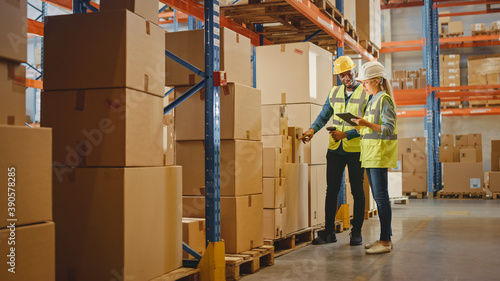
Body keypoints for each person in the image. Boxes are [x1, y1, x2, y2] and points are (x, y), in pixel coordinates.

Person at [301, 56, 370, 246]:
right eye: (342, 75)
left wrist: (346, 135)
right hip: (335, 150)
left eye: (349, 73)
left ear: (355, 71)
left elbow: (368, 125)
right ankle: (329, 232)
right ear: (338, 77)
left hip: (355, 150)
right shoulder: (334, 92)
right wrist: (312, 130)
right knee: (331, 190)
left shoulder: (365, 93)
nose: (346, 77)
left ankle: (356, 233)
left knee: (357, 192)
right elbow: (324, 115)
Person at [350, 61, 398, 254]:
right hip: (370, 155)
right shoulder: (372, 100)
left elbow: (388, 129)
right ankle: (383, 238)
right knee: (379, 199)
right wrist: (359, 125)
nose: (363, 86)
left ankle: (386, 241)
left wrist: (366, 124)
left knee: (382, 199)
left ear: (377, 81)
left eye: (366, 83)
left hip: (379, 154)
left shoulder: (384, 99)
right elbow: (371, 129)